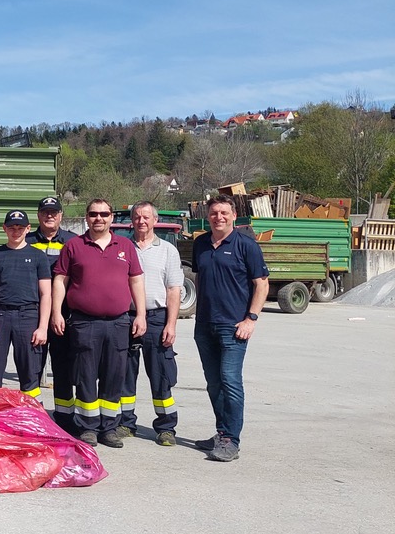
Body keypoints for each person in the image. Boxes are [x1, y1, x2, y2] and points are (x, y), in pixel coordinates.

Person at [51, 199, 146, 449]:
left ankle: (110, 428)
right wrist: (56, 313)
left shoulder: (125, 245)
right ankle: (88, 427)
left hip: (118, 323)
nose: (99, 218)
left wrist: (141, 315)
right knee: (85, 376)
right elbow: (60, 280)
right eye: (93, 214)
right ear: (87, 217)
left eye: (104, 214)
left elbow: (136, 281)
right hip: (84, 323)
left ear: (112, 217)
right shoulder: (73, 246)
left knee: (114, 376)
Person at [192, 194, 268, 462]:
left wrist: (251, 319)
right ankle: (222, 432)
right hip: (204, 326)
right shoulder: (200, 244)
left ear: (234, 216)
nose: (218, 217)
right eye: (214, 213)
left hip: (234, 327)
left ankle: (231, 440)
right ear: (208, 216)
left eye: (224, 212)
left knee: (230, 381)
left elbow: (261, 284)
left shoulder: (246, 245)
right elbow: (201, 280)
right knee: (214, 384)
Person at [119, 201, 184, 446]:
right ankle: (126, 423)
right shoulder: (123, 248)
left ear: (155, 220)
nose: (141, 222)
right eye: (137, 217)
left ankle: (166, 427)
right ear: (131, 220)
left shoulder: (168, 250)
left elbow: (174, 290)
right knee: (125, 374)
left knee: (161, 376)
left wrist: (171, 324)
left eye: (146, 217)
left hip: (157, 318)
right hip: (126, 317)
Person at [0, 210, 51, 398]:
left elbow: (46, 294)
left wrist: (43, 327)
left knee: (29, 370)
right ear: (4, 229)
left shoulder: (38, 256)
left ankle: (30, 416)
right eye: (12, 227)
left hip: (28, 317)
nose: (16, 231)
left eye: (20, 227)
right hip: (0, 316)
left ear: (28, 228)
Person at [27, 196, 80, 433]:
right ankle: (33, 415)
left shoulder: (73, 242)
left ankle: (65, 416)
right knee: (32, 367)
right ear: (39, 215)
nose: (50, 216)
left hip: (63, 315)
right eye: (45, 212)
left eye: (54, 212)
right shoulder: (25, 241)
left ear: (60, 215)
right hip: (33, 315)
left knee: (63, 367)